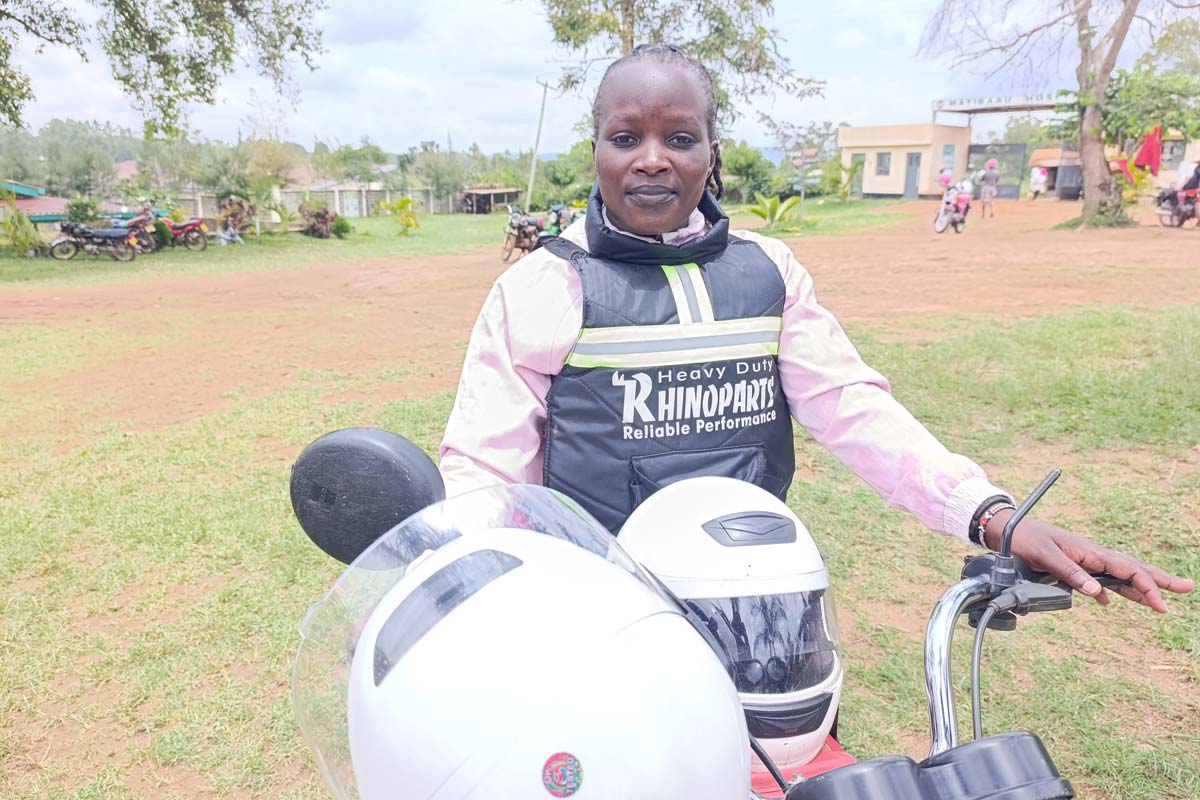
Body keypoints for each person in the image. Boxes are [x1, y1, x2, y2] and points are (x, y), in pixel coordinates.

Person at [440, 44, 1191, 613]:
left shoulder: (768, 273)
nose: (652, 161)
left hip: (758, 608)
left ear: (712, 153)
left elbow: (852, 407)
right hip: (596, 608)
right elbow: (483, 470)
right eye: (625, 137)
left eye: (680, 138)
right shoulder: (542, 287)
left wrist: (991, 515)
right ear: (596, 150)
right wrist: (470, 585)